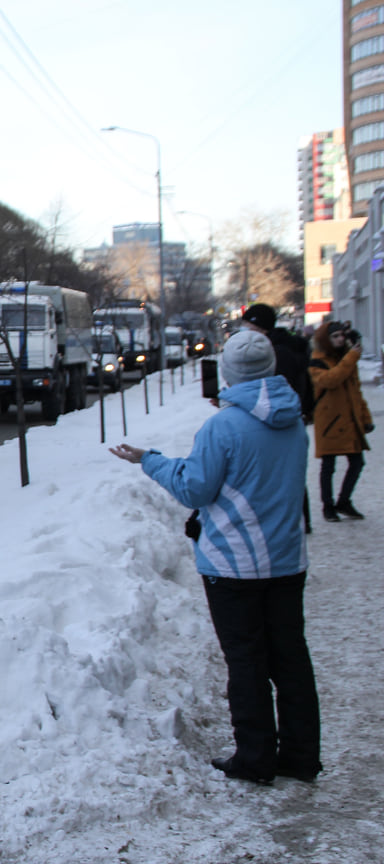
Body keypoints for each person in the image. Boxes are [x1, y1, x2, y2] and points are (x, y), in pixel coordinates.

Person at [110, 328, 320, 785]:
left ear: (228, 372)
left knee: (247, 661)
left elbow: (195, 488)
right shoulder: (294, 420)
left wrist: (149, 460)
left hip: (234, 566)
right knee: (291, 658)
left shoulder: (223, 426)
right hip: (286, 561)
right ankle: (302, 757)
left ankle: (255, 757)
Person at [240, 303, 315, 532]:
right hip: (290, 416)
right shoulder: (283, 347)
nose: (246, 330)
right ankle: (301, 520)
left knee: (282, 472)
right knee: (290, 470)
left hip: (279, 417)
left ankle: (294, 521)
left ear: (261, 327)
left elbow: (269, 389)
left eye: (249, 325)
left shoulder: (275, 353)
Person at [308, 320, 374, 522]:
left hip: (350, 420)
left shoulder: (347, 359)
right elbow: (330, 380)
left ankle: (344, 501)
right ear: (325, 340)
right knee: (329, 465)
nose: (340, 340)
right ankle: (328, 506)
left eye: (341, 336)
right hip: (329, 421)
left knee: (357, 462)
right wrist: (352, 357)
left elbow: (356, 391)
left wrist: (365, 417)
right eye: (334, 337)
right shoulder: (317, 360)